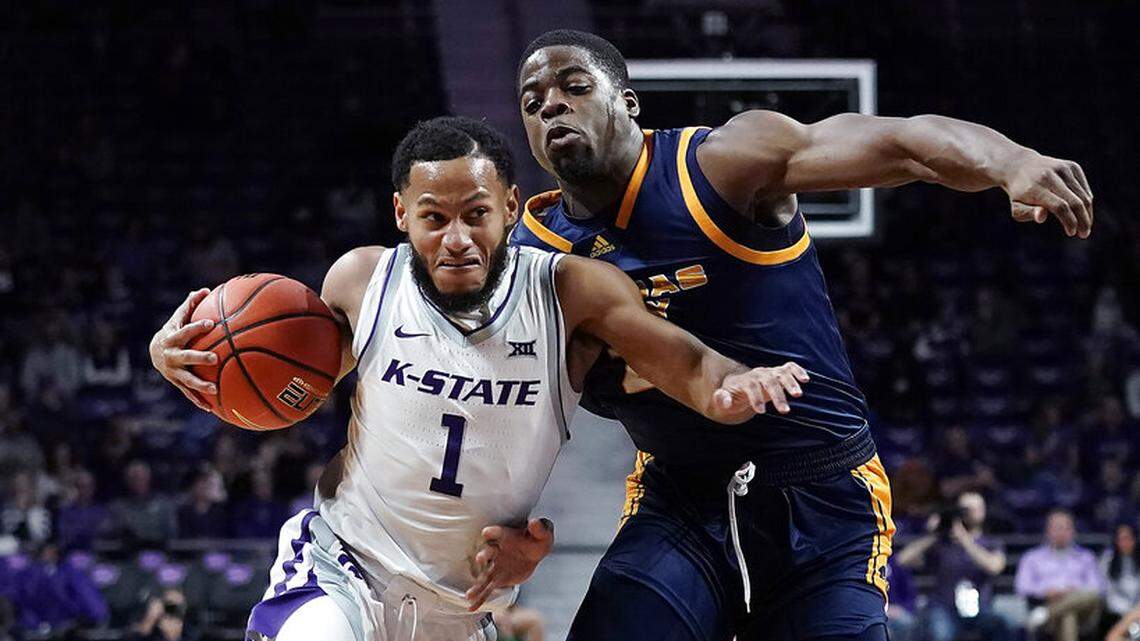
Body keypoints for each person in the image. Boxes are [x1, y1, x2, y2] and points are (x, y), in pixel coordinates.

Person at [507, 28, 1093, 641]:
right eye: (532, 100)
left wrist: (1011, 163)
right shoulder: (533, 255)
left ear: (627, 103)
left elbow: (902, 144)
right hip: (679, 499)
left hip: (824, 499)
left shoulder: (721, 166)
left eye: (574, 87)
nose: (551, 104)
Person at [149, 117, 808, 640]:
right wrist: (184, 356)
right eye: (435, 217)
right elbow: (297, 379)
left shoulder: (570, 291)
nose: (457, 237)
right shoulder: (363, 279)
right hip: (342, 566)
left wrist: (734, 386)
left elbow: (688, 363)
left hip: (461, 610)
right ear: (402, 214)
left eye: (477, 213)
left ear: (511, 207)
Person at [894, 492, 1011, 641]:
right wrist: (934, 534)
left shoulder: (991, 543)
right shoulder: (942, 544)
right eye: (966, 509)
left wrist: (964, 538)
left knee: (1001, 625)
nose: (971, 513)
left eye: (975, 508)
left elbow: (995, 567)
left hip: (981, 608)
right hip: (944, 608)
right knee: (941, 632)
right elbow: (902, 560)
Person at [1015, 509, 1105, 641]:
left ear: (1073, 531)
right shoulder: (1031, 558)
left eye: (1066, 528)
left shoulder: (1086, 557)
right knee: (1068, 615)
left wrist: (1074, 591)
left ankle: (1045, 615)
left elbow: (1098, 588)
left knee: (1092, 595)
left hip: (1084, 612)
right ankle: (1049, 612)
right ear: (1048, 531)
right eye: (1057, 527)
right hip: (1047, 603)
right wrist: (1046, 592)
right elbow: (1022, 587)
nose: (1062, 532)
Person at [1101, 523, 1140, 634]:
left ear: (1135, 540)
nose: (1125, 543)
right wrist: (1129, 611)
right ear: (1116, 541)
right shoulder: (1107, 560)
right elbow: (1108, 593)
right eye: (1121, 539)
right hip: (1116, 613)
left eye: (1129, 539)